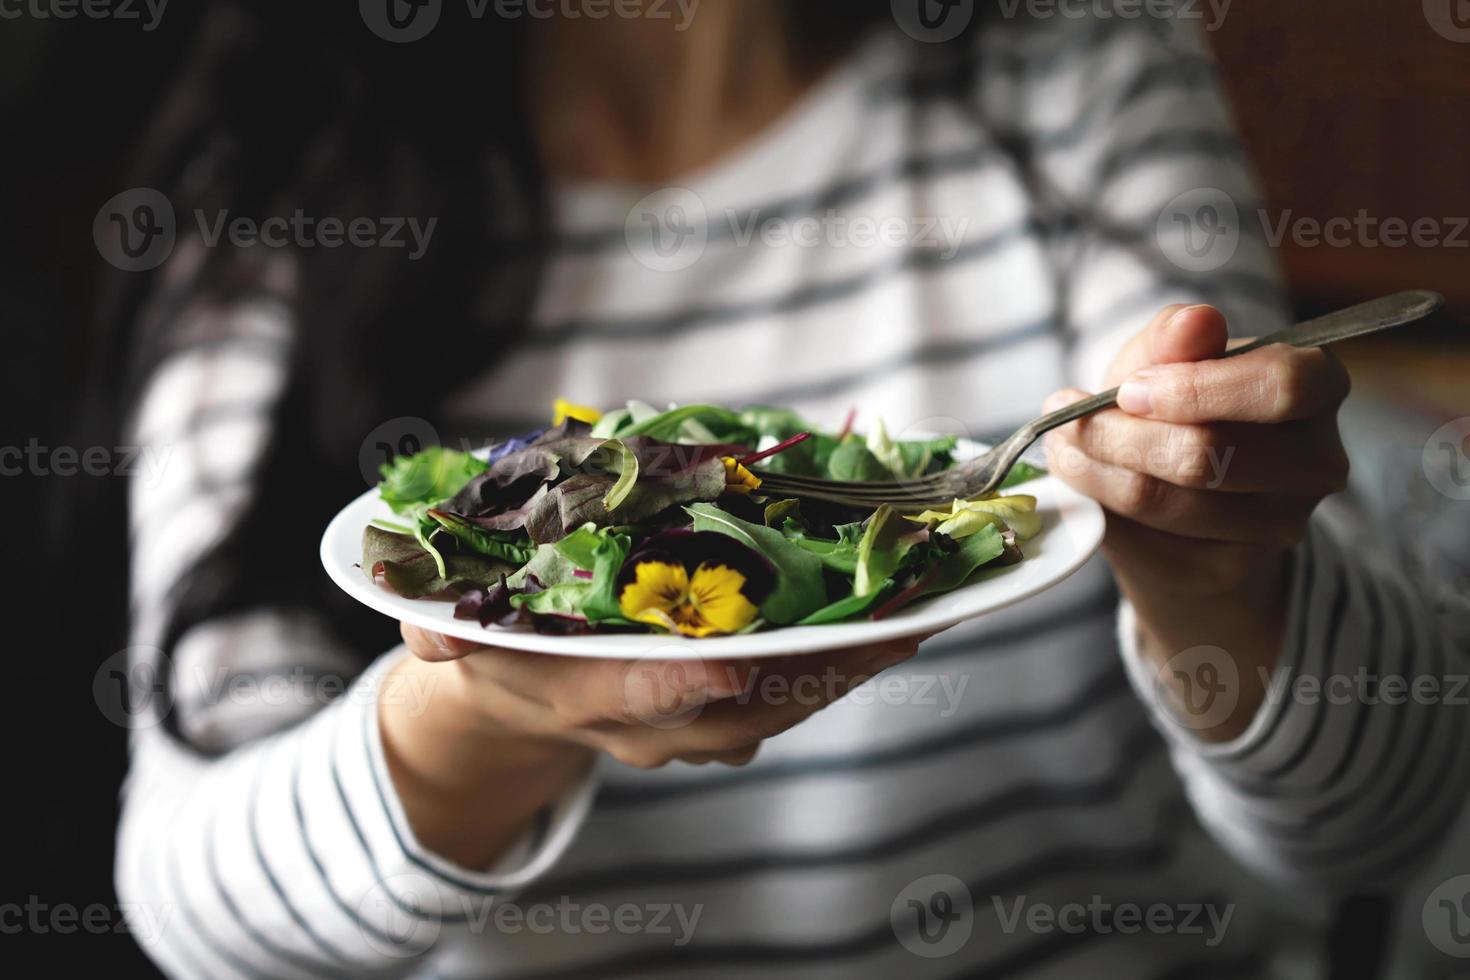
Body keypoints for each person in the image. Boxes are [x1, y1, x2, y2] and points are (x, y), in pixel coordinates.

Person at [103, 2, 1470, 976]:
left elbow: (1382, 819)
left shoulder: (1079, 65)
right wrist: (482, 721)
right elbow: (198, 910)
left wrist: (1223, 579)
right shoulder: (294, 170)